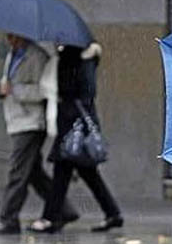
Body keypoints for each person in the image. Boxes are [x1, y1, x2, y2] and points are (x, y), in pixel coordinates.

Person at [0, 34, 79, 235]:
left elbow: (42, 90)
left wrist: (15, 90)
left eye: (13, 36)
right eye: (7, 36)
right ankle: (64, 209)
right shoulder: (13, 55)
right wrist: (1, 90)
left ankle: (8, 218)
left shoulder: (36, 57)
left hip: (31, 122)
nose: (9, 40)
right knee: (33, 172)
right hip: (16, 119)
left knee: (18, 170)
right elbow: (10, 82)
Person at [29, 43, 123, 233]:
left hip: (74, 125)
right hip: (74, 123)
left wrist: (62, 87)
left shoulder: (78, 60)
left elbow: (81, 92)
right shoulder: (78, 59)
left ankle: (50, 217)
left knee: (62, 172)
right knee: (87, 174)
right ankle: (112, 213)